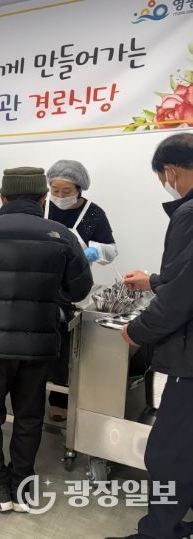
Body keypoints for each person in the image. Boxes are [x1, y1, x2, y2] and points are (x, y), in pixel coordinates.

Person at [0, 167, 92, 513]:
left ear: (3, 198)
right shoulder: (61, 236)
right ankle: (22, 484)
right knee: (29, 415)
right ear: (43, 199)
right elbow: (80, 289)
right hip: (39, 346)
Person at [112, 133, 193, 539]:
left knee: (168, 452)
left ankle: (158, 533)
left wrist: (138, 330)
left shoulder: (189, 213)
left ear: (171, 170)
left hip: (189, 359)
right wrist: (154, 280)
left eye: (164, 178)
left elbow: (181, 297)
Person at [44, 159, 117, 421]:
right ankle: (32, 392)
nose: (59, 196)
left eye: (67, 191)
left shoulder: (93, 213)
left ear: (79, 189)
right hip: (41, 284)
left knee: (64, 350)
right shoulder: (42, 206)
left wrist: (93, 251)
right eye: (55, 190)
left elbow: (111, 250)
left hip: (73, 288)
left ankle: (60, 398)